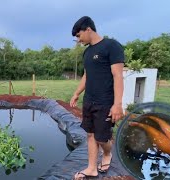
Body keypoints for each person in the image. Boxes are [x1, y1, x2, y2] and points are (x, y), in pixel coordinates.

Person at [69, 16, 124, 179]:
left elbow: (118, 76)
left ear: (88, 29)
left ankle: (107, 154)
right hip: (89, 101)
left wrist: (117, 104)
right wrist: (77, 93)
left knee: (102, 138)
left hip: (105, 102)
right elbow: (86, 75)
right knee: (90, 134)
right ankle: (92, 168)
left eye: (78, 36)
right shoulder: (87, 52)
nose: (78, 40)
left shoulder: (111, 46)